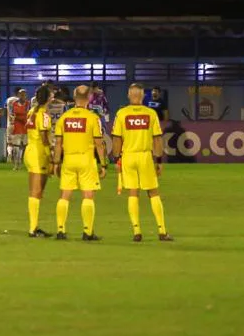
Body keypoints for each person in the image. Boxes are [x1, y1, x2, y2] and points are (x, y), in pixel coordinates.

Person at [112, 83, 173, 242]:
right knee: (153, 192)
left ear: (128, 95)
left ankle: (137, 231)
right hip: (145, 156)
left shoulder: (121, 114)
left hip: (128, 156)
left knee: (133, 192)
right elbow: (157, 139)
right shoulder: (150, 113)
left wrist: (116, 158)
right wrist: (158, 160)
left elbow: (117, 139)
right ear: (143, 96)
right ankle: (162, 230)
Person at [52, 85, 107, 241]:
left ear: (74, 97)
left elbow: (58, 143)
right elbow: (98, 143)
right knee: (88, 195)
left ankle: (61, 230)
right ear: (89, 97)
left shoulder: (64, 118)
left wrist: (56, 162)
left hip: (69, 159)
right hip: (86, 159)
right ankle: (87, 232)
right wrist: (103, 164)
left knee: (65, 195)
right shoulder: (92, 118)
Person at [23, 85, 53, 237]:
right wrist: (50, 156)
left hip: (30, 150)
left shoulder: (31, 112)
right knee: (37, 191)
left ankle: (34, 226)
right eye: (52, 94)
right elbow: (44, 137)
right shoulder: (44, 114)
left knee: (36, 191)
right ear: (48, 97)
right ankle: (33, 228)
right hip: (38, 153)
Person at [6, 88, 29, 170]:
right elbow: (12, 115)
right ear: (18, 95)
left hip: (25, 127)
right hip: (16, 127)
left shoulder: (28, 104)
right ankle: (16, 163)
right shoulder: (14, 104)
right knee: (16, 146)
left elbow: (28, 115)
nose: (23, 96)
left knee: (23, 146)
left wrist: (18, 117)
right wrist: (17, 118)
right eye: (21, 94)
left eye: (24, 95)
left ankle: (20, 162)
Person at [88, 83, 111, 160]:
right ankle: (92, 157)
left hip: (100, 119)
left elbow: (107, 107)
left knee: (102, 138)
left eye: (94, 88)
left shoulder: (101, 96)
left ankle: (105, 157)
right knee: (90, 138)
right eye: (92, 88)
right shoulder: (88, 96)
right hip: (90, 120)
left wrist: (103, 113)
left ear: (97, 88)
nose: (93, 90)